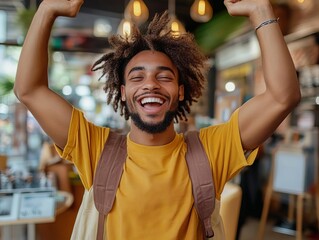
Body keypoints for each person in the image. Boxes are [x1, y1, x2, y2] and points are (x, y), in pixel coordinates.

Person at [14, 0, 300, 239]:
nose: (150, 84)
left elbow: (282, 96)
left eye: (164, 76)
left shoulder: (211, 150)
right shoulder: (96, 148)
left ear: (181, 91)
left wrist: (262, 12)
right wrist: (47, 9)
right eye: (137, 77)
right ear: (124, 94)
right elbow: (29, 89)